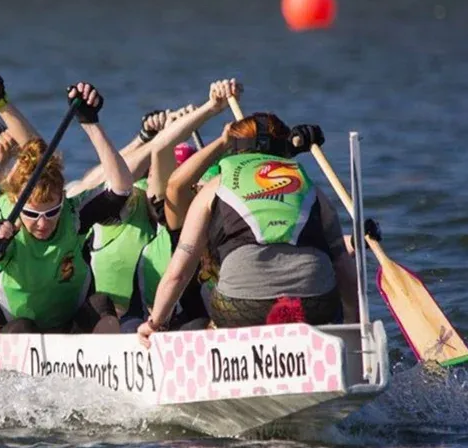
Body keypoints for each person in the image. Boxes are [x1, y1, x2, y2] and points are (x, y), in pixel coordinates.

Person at [138, 112, 359, 346]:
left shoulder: (215, 187)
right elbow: (343, 266)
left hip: (242, 308)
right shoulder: (312, 190)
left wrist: (154, 324)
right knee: (329, 298)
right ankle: (325, 352)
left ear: (234, 149)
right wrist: (355, 327)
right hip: (315, 306)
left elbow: (178, 273)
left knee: (214, 303)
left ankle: (227, 357)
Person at [0, 82, 132, 334]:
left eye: (51, 212)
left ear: (62, 200)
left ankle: (103, 366)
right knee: (23, 327)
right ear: (16, 203)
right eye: (33, 215)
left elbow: (121, 189)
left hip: (69, 325)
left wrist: (91, 124)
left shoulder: (73, 214)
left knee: (101, 304)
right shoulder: (5, 220)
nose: (43, 223)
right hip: (17, 329)